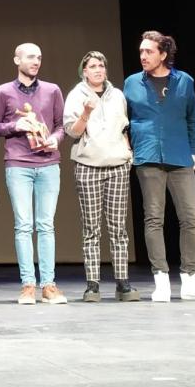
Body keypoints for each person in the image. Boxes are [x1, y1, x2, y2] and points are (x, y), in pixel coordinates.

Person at [123, 31, 195, 302]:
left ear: (163, 54)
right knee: (154, 218)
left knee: (190, 218)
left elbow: (193, 118)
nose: (143, 56)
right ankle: (161, 279)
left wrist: (194, 150)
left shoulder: (185, 81)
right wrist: (128, 146)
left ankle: (190, 279)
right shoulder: (131, 83)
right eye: (141, 51)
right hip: (147, 156)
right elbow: (123, 118)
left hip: (179, 156)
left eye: (148, 51)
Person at [0, 43, 68, 305]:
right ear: (17, 59)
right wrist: (15, 125)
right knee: (23, 225)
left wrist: (56, 140)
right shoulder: (3, 92)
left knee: (46, 225)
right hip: (18, 164)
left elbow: (60, 126)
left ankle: (48, 285)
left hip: (48, 164)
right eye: (31, 57)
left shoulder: (52, 90)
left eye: (39, 57)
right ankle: (28, 285)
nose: (36, 61)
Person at [63, 51, 139, 302]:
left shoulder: (117, 95)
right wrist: (85, 112)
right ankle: (93, 285)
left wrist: (128, 153)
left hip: (117, 165)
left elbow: (124, 127)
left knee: (118, 228)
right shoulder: (76, 95)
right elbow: (73, 133)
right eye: (92, 66)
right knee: (91, 228)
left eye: (101, 66)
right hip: (88, 166)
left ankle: (122, 283)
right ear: (84, 71)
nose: (98, 70)